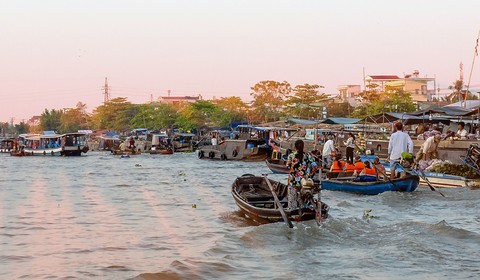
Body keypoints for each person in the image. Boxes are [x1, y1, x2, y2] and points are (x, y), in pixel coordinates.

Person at [286, 139, 318, 210]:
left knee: (292, 201)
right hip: (304, 181)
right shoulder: (307, 155)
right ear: (303, 147)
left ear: (295, 147)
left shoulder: (291, 155)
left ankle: (293, 213)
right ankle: (302, 210)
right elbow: (315, 166)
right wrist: (310, 175)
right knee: (302, 199)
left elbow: (287, 166)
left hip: (293, 181)